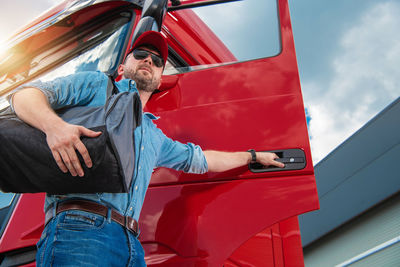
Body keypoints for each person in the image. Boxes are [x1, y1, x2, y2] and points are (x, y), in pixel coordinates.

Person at [11, 31, 285, 266]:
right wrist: (54, 127)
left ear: (158, 79)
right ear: (122, 67)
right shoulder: (96, 85)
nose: (148, 61)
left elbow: (202, 160)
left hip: (131, 244)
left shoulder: (154, 135)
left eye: (157, 61)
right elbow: (23, 95)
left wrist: (252, 156)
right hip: (79, 229)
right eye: (141, 54)